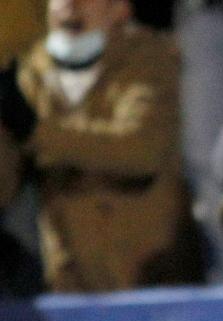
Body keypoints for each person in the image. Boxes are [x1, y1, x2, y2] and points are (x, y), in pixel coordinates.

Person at [0, 0, 203, 292]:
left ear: (120, 9)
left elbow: (140, 151)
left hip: (153, 276)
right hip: (74, 281)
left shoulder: (150, 57)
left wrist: (36, 131)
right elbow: (7, 186)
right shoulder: (30, 74)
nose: (68, 6)